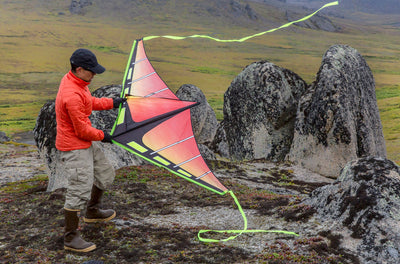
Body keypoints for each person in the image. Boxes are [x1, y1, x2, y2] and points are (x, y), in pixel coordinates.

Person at [55, 48, 126, 252]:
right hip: (75, 146)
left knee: (105, 173)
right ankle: (70, 238)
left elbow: (90, 102)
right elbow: (83, 130)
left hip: (84, 142)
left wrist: (112, 103)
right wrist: (106, 136)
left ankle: (92, 211)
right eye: (91, 71)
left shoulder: (78, 82)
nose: (94, 75)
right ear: (78, 69)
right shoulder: (71, 94)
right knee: (79, 189)